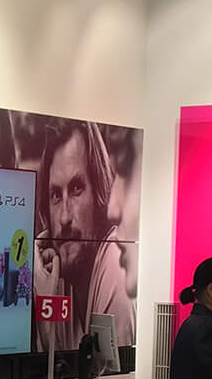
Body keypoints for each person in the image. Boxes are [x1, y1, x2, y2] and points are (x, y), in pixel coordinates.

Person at [34, 119, 136, 355]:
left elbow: (110, 377)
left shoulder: (117, 263)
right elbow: (55, 372)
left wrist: (46, 307)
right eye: (55, 195)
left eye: (77, 188)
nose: (64, 218)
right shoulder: (57, 273)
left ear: (99, 193)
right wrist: (45, 296)